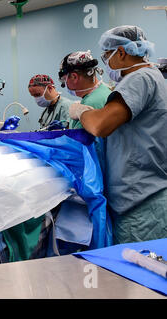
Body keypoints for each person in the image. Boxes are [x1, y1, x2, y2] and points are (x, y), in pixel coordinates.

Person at [69, 25, 167, 244]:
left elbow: (100, 125)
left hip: (139, 202)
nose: (107, 64)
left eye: (107, 56)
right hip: (149, 196)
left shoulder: (139, 78)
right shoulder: (154, 77)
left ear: (121, 52)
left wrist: (82, 111)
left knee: (136, 273)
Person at [58, 50, 112, 129]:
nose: (65, 84)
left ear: (74, 77)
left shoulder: (92, 102)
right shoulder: (102, 90)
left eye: (64, 80)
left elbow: (78, 139)